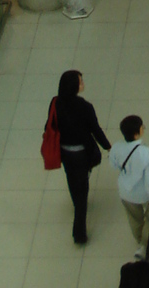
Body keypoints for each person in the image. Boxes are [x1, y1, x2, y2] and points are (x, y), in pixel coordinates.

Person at [53, 71, 110, 243]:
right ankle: (79, 232)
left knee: (71, 177)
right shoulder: (85, 107)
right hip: (81, 154)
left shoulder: (55, 103)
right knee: (82, 190)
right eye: (80, 81)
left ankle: (75, 199)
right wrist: (108, 146)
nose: (83, 83)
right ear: (74, 87)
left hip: (64, 152)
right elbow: (95, 130)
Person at [109, 114, 149, 258]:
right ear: (137, 133)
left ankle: (140, 241)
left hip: (125, 192)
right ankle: (145, 244)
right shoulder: (145, 152)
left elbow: (113, 165)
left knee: (134, 219)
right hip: (144, 193)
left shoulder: (117, 147)